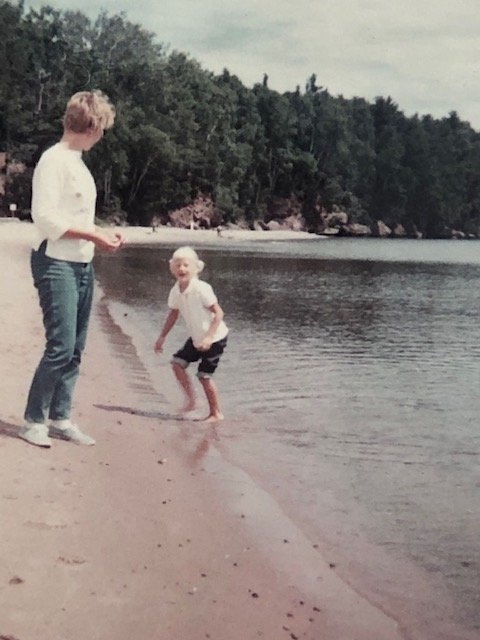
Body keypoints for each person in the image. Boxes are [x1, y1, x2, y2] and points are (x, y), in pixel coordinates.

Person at [20, 90, 126, 448]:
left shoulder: (78, 162)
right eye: (103, 128)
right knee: (61, 346)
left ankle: (60, 417)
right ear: (93, 127)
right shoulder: (55, 160)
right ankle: (34, 419)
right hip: (56, 262)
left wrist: (99, 232)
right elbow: (46, 219)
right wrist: (95, 235)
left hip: (82, 263)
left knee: (76, 347)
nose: (103, 135)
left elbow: (75, 215)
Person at [154, 246, 228, 422]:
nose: (182, 269)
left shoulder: (201, 288)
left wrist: (209, 337)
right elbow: (173, 313)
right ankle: (193, 401)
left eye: (186, 265)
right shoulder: (175, 290)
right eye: (178, 265)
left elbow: (219, 313)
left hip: (215, 337)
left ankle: (216, 413)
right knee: (177, 363)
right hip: (197, 337)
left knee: (204, 375)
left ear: (196, 268)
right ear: (172, 268)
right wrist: (162, 336)